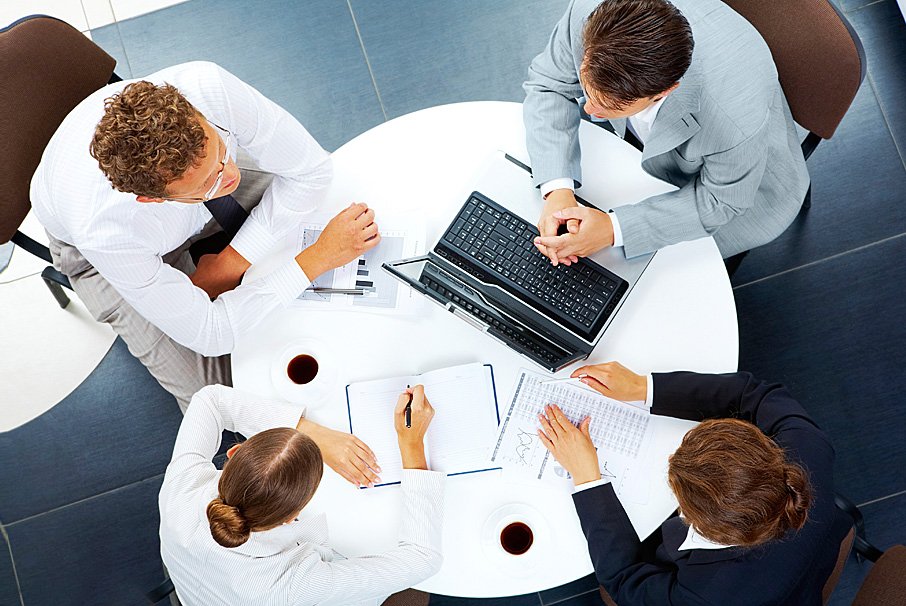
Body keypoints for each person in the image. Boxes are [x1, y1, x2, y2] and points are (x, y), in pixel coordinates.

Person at [30, 61, 380, 411]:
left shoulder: (207, 87)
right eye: (209, 182)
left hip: (189, 184)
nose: (230, 176)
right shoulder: (105, 233)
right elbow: (212, 333)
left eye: (222, 150)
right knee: (218, 399)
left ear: (194, 110)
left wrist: (228, 263)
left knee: (330, 208)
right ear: (152, 198)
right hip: (100, 254)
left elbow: (312, 172)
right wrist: (316, 259)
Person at [538, 362, 851, 605]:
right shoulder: (808, 447)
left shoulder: (709, 595)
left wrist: (587, 479)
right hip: (809, 555)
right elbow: (753, 394)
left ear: (693, 518)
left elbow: (624, 581)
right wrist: (643, 386)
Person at [524, 0, 809, 265]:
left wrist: (614, 229)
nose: (588, 110)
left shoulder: (733, 116)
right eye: (588, 90)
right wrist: (557, 190)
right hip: (655, 149)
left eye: (609, 105)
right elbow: (549, 84)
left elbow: (721, 201)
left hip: (737, 188)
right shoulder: (589, 10)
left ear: (665, 91)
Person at [159, 384, 443, 605]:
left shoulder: (183, 486)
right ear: (293, 517)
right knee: (414, 595)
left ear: (234, 454)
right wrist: (412, 445)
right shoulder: (292, 584)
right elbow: (423, 559)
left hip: (196, 589)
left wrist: (310, 432)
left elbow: (210, 399)